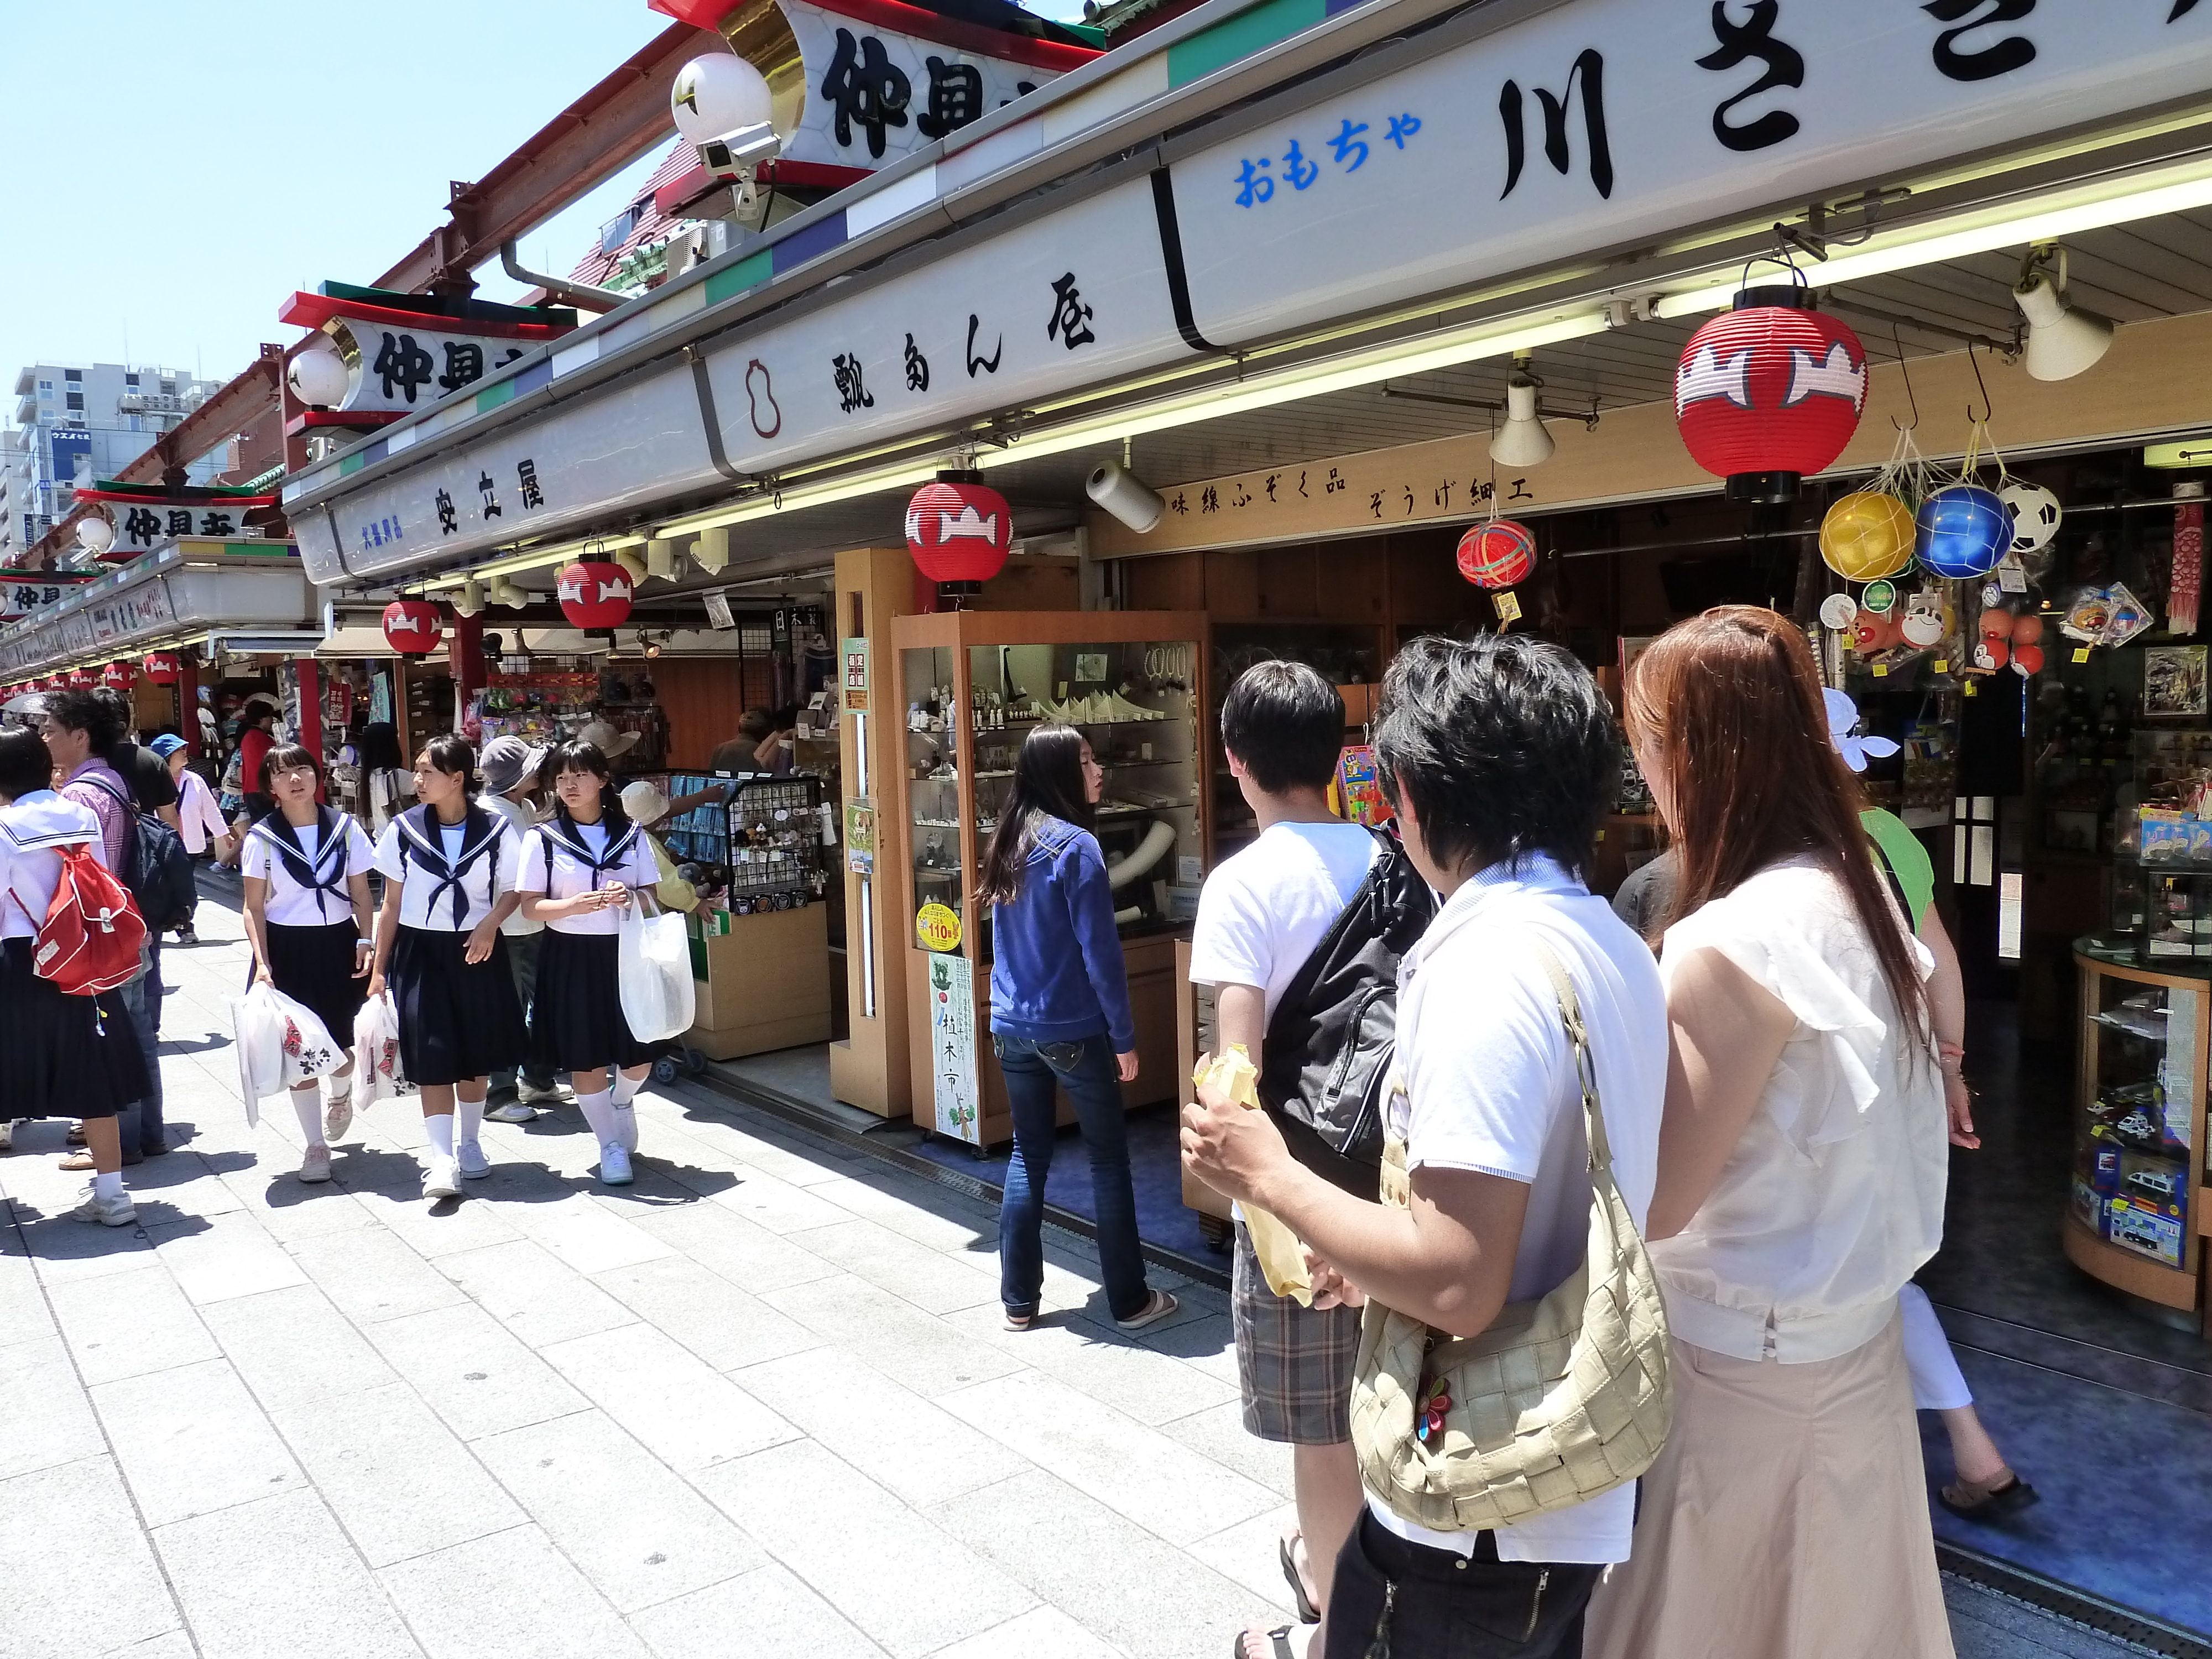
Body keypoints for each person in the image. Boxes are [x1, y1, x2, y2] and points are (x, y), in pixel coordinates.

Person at [1183, 634, 1668, 1659]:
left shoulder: (1481, 963)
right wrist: (1368, 1253)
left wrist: (1269, 1174)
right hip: (1564, 1463)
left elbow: (1456, 1281)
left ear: (1409, 789)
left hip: (1477, 1493)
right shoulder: (1608, 939)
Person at [1583, 607, 1952, 1659]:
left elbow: (1660, 1197)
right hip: (1855, 1354)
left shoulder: (1729, 939)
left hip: (1746, 1374)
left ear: (1691, 756)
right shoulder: (1858, 884)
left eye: (1645, 743)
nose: (1641, 771)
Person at [1612, 800, 2034, 1526]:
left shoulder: (1688, 892)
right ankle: (1972, 1444)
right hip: (1861, 1184)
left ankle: (1972, 1445)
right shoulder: (1878, 847)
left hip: (1744, 1317)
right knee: (1881, 1287)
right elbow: (1939, 967)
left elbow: (1662, 1197)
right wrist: (1949, 1069)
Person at [1187, 662, 1386, 1659]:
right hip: (1401, 1192)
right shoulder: (1401, 862)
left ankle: (1329, 1620)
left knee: (1322, 1423)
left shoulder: (1242, 883)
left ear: (1234, 763)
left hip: (1300, 1191)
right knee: (1398, 1395)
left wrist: (1233, 1185)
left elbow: (1238, 1068)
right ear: (1339, 753)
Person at [978, 722, 1177, 1333]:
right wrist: (1123, 1038)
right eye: (1087, 762)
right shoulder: (1076, 847)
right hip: (1073, 1027)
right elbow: (1102, 955)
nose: (1098, 773)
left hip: (1012, 1023)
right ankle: (1128, 1300)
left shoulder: (1009, 837)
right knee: (1107, 1162)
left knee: (1027, 1154)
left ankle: (1018, 1301)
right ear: (1061, 772)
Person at [365, 738, 528, 1202]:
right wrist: (380, 969)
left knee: (474, 1051)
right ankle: (440, 1158)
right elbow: (390, 904)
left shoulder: (496, 828)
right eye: (416, 771)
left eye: (426, 772)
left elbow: (513, 889)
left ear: (457, 779)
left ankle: (471, 1143)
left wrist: (490, 926)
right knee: (432, 1052)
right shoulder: (402, 830)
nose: (417, 781)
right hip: (420, 950)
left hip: (475, 946)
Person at [0, 725, 151, 1219]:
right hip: (86, 955)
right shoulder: (81, 813)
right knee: (94, 1072)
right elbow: (102, 879)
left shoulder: (4, 828)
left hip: (23, 959)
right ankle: (112, 1196)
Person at [516, 740, 664, 1186]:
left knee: (640, 1058)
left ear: (602, 780)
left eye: (579, 775)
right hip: (571, 957)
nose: (569, 785)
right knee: (586, 1058)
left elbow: (652, 897)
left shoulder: (632, 833)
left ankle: (621, 1102)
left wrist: (629, 896)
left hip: (626, 954)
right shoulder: (542, 838)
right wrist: (572, 907)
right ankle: (609, 1146)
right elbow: (529, 907)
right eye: (561, 778)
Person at [239, 744, 375, 1184]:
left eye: (303, 769)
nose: (295, 779)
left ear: (319, 776)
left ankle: (340, 1092)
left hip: (338, 944)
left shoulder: (347, 829)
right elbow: (253, 907)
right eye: (283, 774)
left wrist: (365, 937)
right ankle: (315, 1145)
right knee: (298, 1051)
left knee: (341, 1049)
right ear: (271, 787)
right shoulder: (262, 838)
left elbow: (362, 890)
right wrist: (262, 962)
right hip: (286, 950)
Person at [43, 687, 160, 1165]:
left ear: (81, 736)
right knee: (141, 1034)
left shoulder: (78, 795)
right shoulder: (113, 781)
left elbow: (88, 874)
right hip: (130, 927)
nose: (45, 737)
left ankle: (123, 1142)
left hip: (102, 933)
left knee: (112, 1038)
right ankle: (148, 1132)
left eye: (52, 729)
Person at [477, 735, 567, 1122]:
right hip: (506, 927)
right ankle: (499, 1094)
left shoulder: (521, 805)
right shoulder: (490, 813)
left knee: (545, 1001)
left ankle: (538, 1078)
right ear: (519, 776)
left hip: (530, 922)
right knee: (509, 1009)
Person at [151, 732, 230, 944]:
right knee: (163, 886)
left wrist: (223, 833)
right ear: (167, 755)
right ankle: (162, 925)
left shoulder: (194, 780)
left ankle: (185, 926)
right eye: (179, 750)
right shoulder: (153, 779)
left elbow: (210, 809)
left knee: (184, 887)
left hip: (190, 845)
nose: (185, 753)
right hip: (160, 845)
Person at [233, 696, 281, 829]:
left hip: (250, 791)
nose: (272, 720)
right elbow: (272, 766)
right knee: (272, 828)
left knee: (259, 827)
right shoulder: (263, 739)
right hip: (264, 791)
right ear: (261, 719)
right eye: (270, 716)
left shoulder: (247, 737)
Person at [708, 708, 775, 774]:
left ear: (739, 729)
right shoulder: (763, 752)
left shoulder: (720, 748)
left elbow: (711, 775)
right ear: (763, 732)